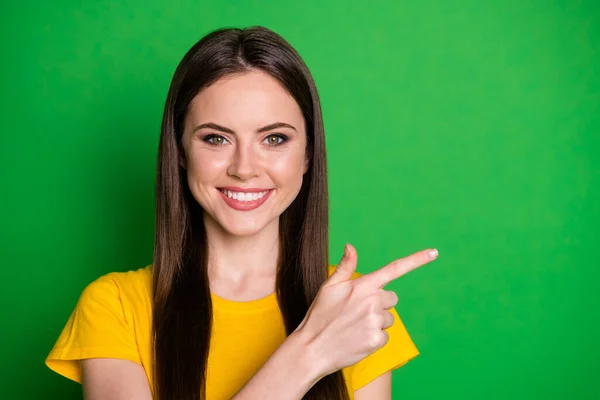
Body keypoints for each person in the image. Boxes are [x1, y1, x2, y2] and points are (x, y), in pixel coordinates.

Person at [45, 26, 438, 400]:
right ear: (180, 151)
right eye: (216, 138)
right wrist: (310, 354)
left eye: (274, 138)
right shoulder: (113, 307)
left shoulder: (355, 313)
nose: (244, 167)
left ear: (308, 155)